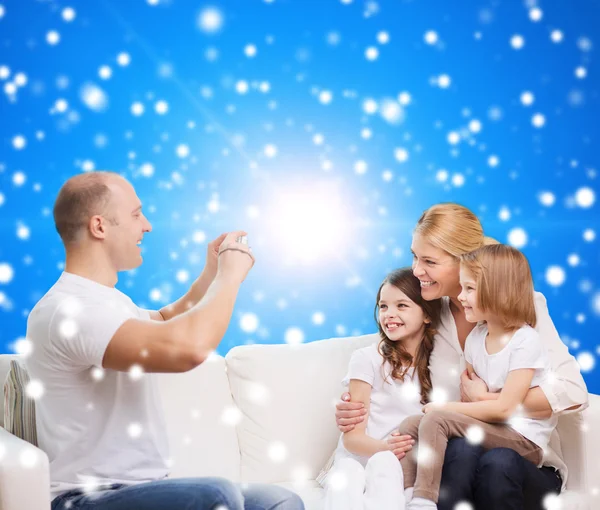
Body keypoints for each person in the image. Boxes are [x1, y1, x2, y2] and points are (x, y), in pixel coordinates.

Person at [24, 171, 304, 510]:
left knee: (280, 500)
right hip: (87, 500)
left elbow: (164, 321)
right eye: (135, 214)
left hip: (147, 488)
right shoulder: (68, 311)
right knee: (217, 496)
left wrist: (211, 273)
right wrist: (230, 276)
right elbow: (185, 350)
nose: (147, 225)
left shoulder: (106, 302)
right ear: (99, 227)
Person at [334, 203, 588, 510]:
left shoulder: (520, 308)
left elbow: (573, 391)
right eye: (414, 257)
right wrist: (355, 408)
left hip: (518, 460)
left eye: (429, 261)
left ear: (465, 261)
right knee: (457, 453)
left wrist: (491, 398)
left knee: (497, 462)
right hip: (458, 454)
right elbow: (387, 356)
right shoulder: (429, 314)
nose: (417, 271)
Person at [397, 244, 559, 510]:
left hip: (523, 440)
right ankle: (406, 494)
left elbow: (505, 407)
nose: (460, 297)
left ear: (499, 290)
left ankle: (424, 500)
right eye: (462, 288)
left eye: (469, 289)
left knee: (436, 417)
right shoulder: (476, 338)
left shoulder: (524, 341)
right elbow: (470, 405)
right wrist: (453, 409)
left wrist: (445, 408)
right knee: (411, 424)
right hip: (491, 431)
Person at [324, 268, 441, 510]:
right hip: (359, 457)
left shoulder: (439, 364)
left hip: (397, 465)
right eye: (383, 306)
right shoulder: (367, 358)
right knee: (348, 473)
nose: (389, 314)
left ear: (427, 315)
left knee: (386, 468)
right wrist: (385, 448)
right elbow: (353, 438)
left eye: (401, 305)